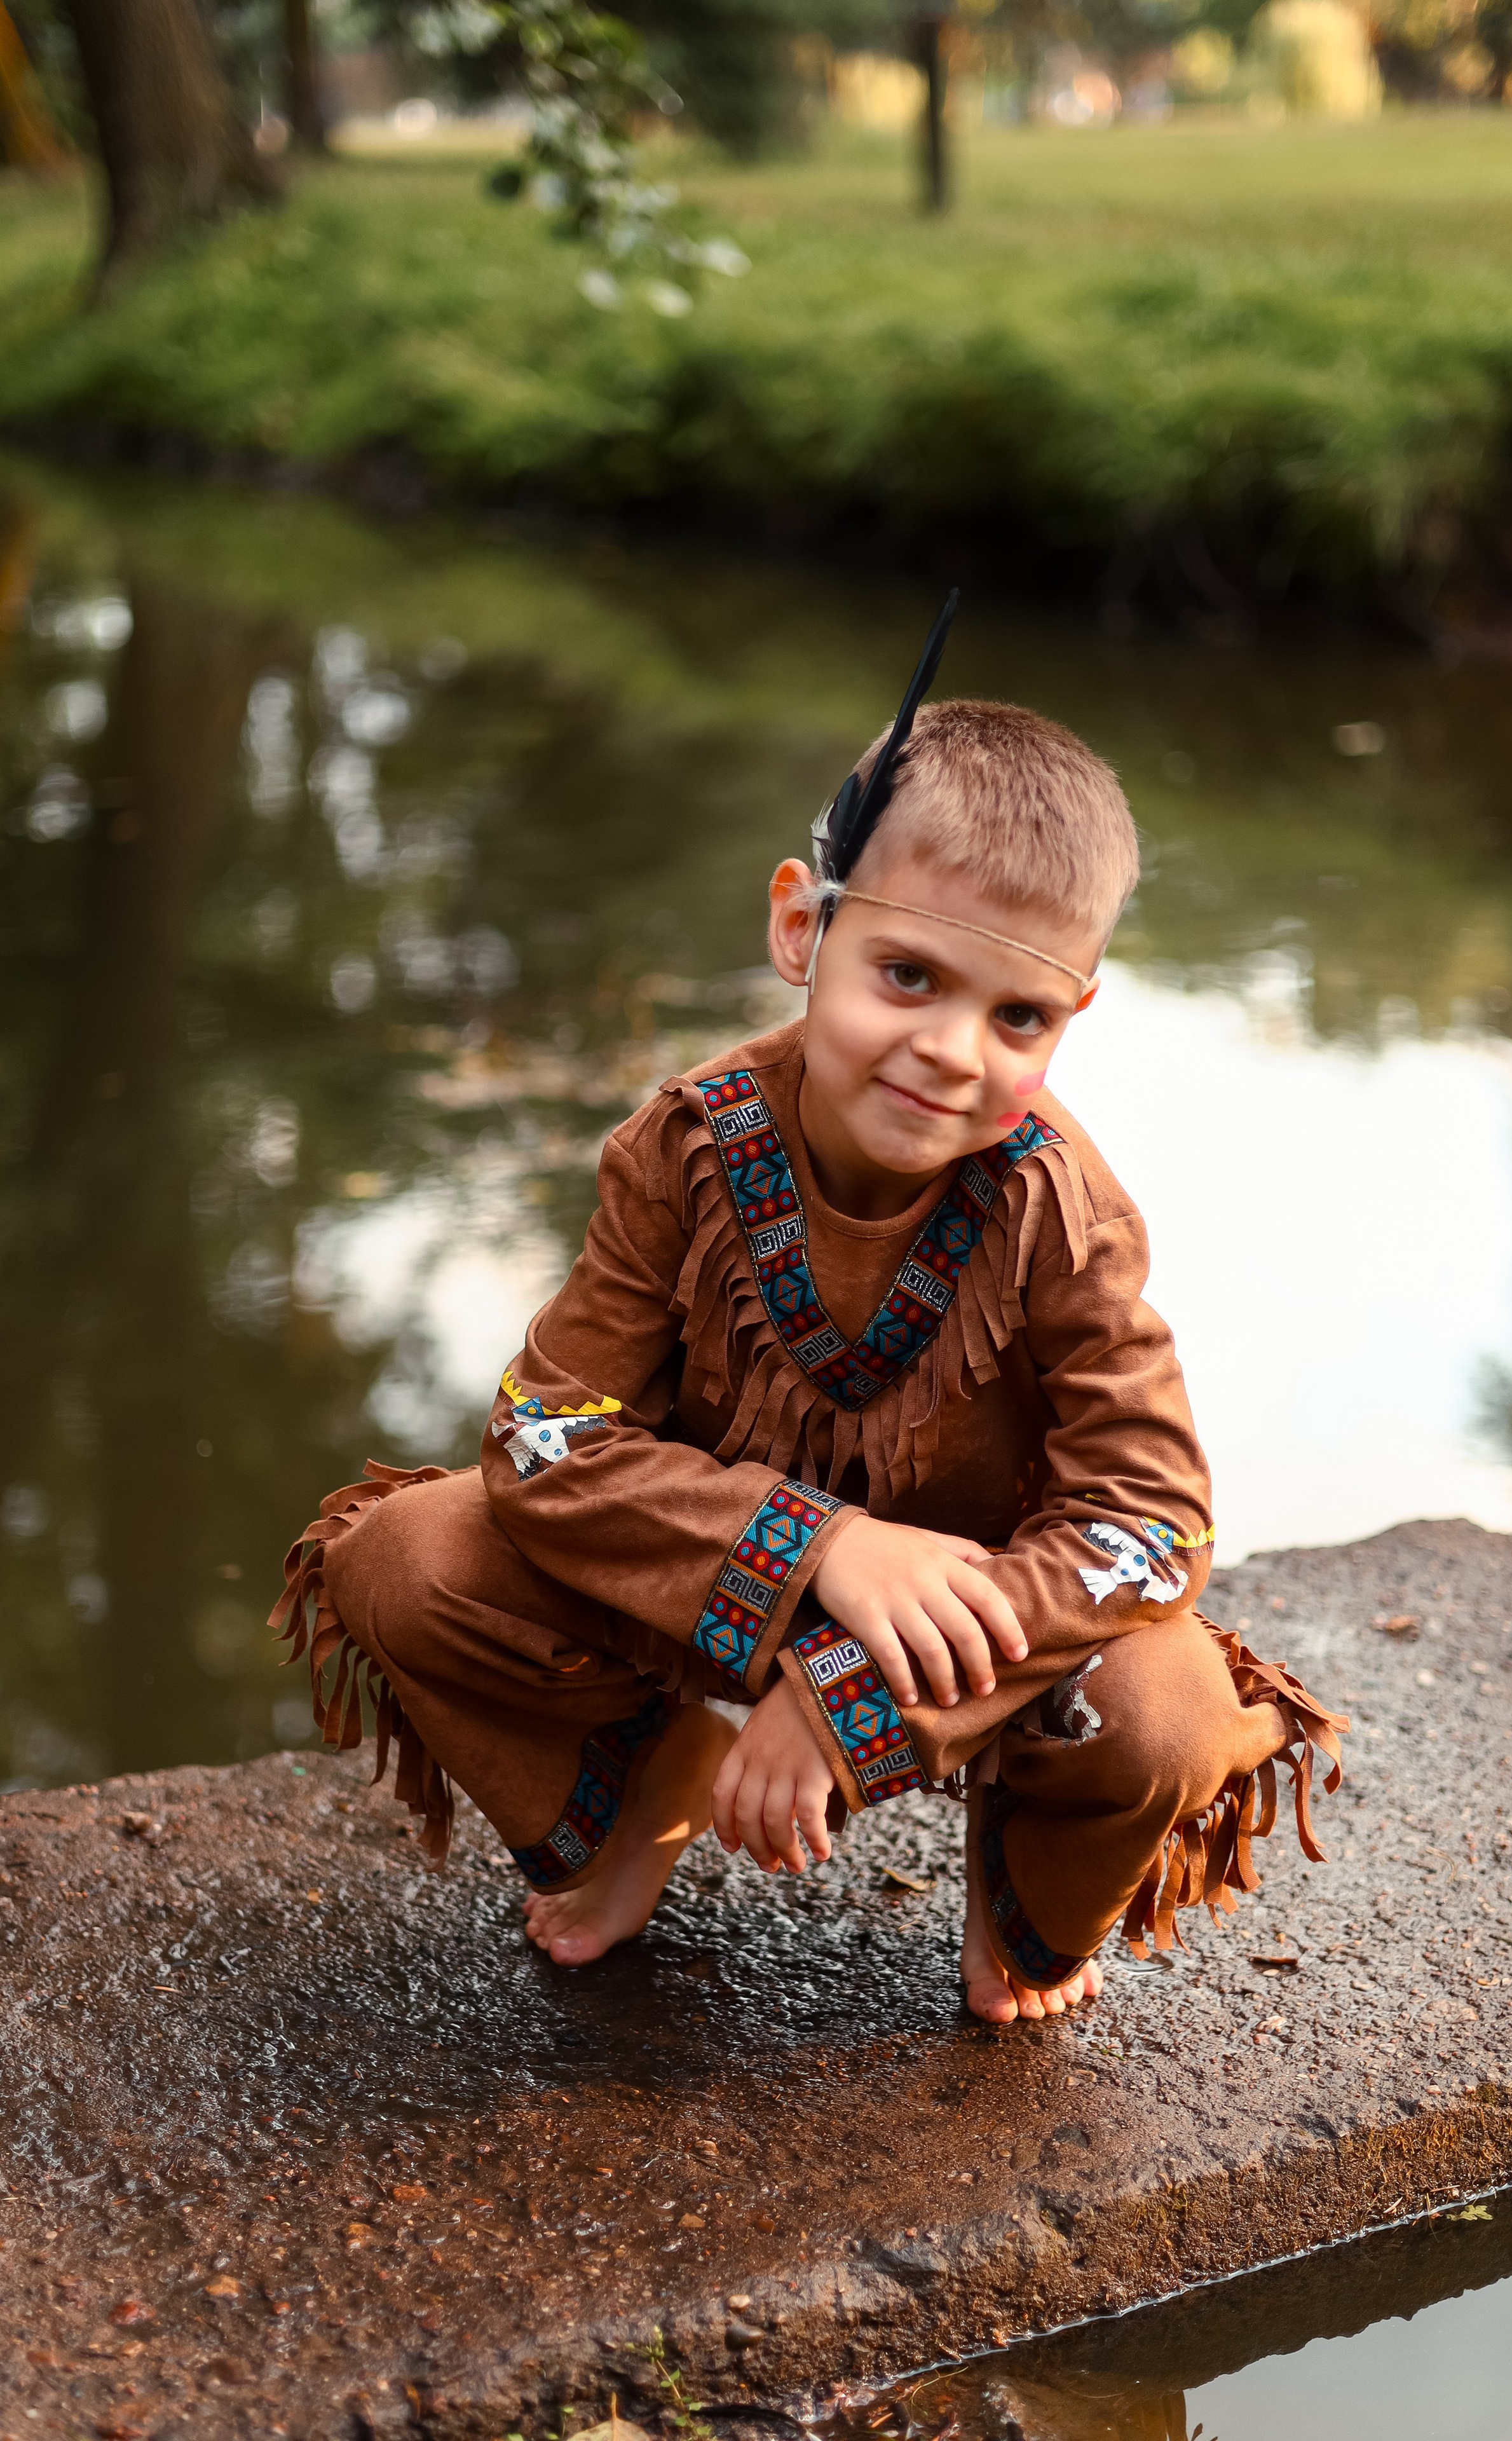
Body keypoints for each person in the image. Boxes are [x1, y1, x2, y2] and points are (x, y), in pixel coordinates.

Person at [272, 603, 1344, 2025]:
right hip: (700, 1602)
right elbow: (543, 1441)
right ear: (802, 925)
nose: (949, 1051)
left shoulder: (1063, 1215)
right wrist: (822, 1549)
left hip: (975, 1646)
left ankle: (1022, 1880)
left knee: (1162, 1711)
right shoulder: (683, 1145)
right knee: (406, 1557)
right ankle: (635, 1793)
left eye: (1014, 1016)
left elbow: (1150, 1529)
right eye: (906, 975)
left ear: (1072, 1016)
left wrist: (848, 1704)